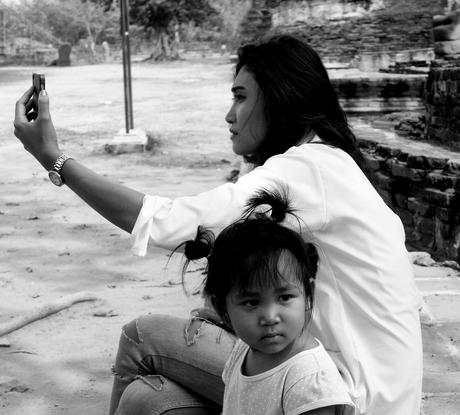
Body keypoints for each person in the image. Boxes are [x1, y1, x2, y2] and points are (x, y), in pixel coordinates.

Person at [13, 34, 422, 415]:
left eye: (241, 98)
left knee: (142, 336)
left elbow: (165, 222)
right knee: (146, 399)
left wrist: (55, 160)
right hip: (381, 391)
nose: (230, 115)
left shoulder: (307, 168)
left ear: (279, 99)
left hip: (341, 395)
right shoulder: (333, 164)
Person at [180, 189, 356, 415]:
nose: (270, 317)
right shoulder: (245, 349)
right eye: (251, 303)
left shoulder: (310, 379)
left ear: (308, 293)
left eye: (284, 297)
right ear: (221, 306)